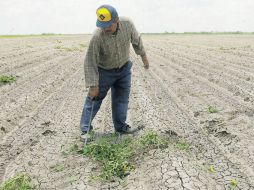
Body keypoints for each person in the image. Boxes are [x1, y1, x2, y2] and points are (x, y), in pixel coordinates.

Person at [80, 4, 149, 142]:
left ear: (116, 19)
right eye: (102, 25)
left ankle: (121, 127)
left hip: (124, 69)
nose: (105, 28)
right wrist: (93, 85)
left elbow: (137, 41)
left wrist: (144, 57)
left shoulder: (127, 24)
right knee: (94, 98)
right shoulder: (97, 36)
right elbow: (90, 61)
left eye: (108, 25)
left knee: (121, 99)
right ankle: (85, 130)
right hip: (104, 71)